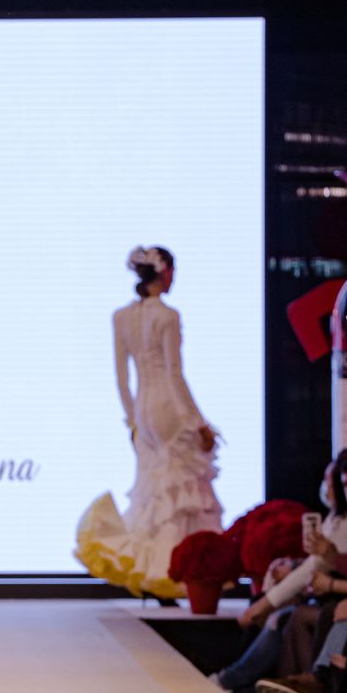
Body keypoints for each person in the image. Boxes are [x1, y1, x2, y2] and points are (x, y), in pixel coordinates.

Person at [76, 245, 222, 598]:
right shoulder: (167, 316)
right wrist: (198, 422)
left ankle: (155, 573)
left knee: (155, 490)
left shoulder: (121, 316)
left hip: (143, 407)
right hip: (169, 408)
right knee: (180, 488)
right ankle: (173, 575)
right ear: (164, 272)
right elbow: (175, 374)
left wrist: (133, 421)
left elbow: (121, 378)